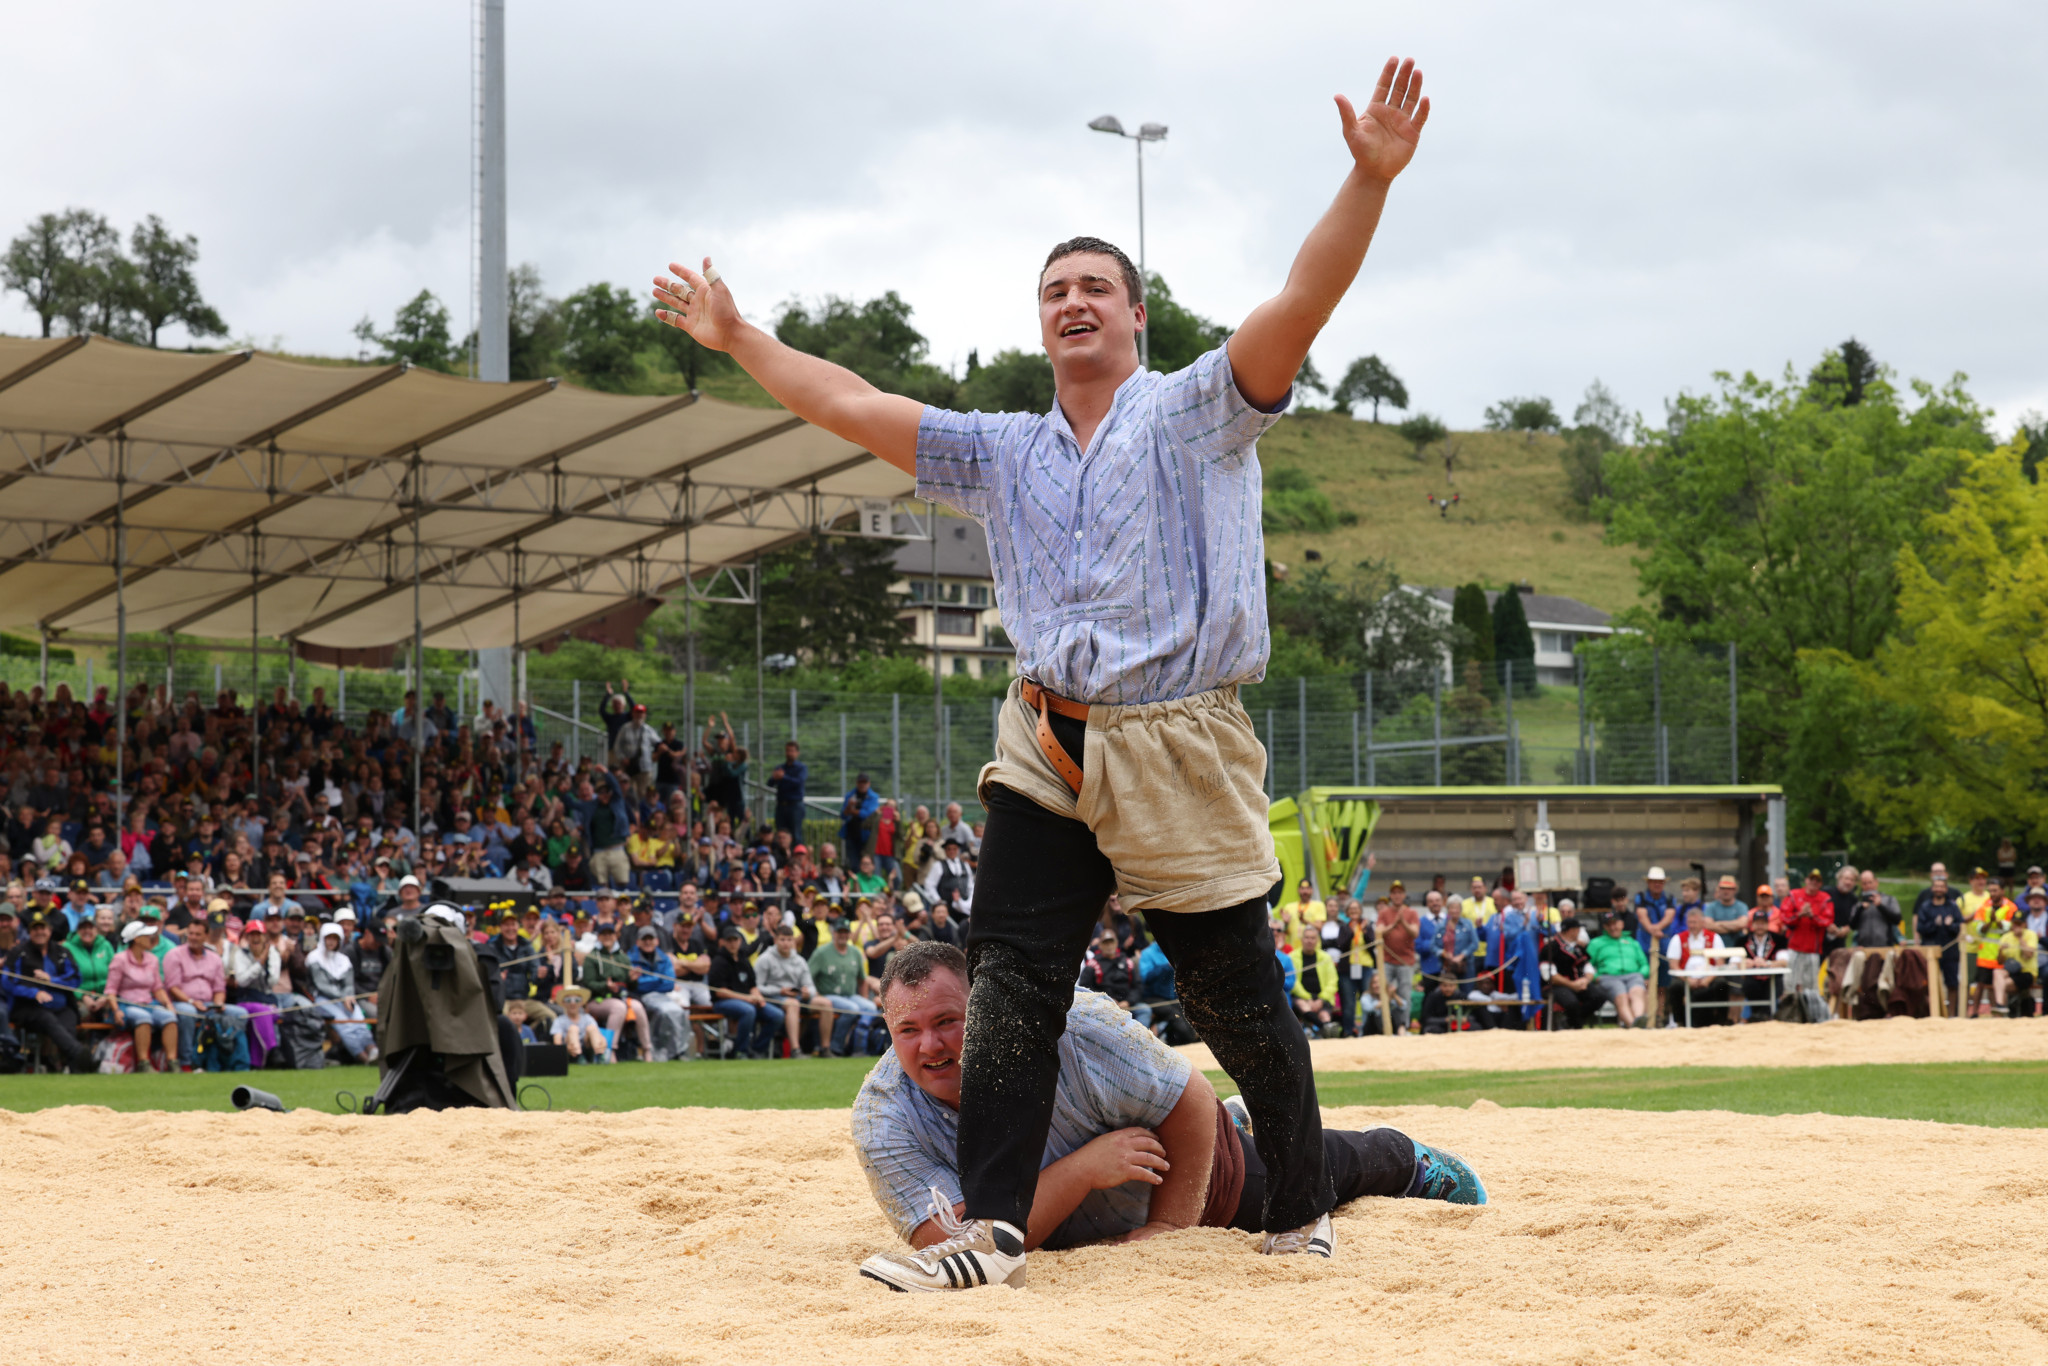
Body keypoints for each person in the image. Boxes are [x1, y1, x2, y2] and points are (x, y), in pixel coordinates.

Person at [658, 57, 1435, 1285]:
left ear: (1136, 317)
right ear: (1041, 324)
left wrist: (1366, 178)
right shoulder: (1001, 450)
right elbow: (851, 401)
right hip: (1047, 732)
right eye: (1054, 291)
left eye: (1095, 288)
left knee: (1231, 988)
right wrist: (738, 332)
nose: (1073, 303)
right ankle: (995, 1225)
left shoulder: (1196, 410)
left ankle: (1300, 1197)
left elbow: (1301, 300)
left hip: (1177, 734)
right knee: (1011, 972)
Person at [851, 942, 1483, 1291]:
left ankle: (1404, 1158)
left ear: (985, 1006)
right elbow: (950, 1245)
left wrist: (1172, 1229)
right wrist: (1082, 1170)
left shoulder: (1074, 1026)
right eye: (908, 1029)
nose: (929, 1046)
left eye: (947, 1022)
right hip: (1096, 1208)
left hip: (1189, 1176)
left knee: (1313, 1172)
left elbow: (1190, 1097)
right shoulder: (883, 1118)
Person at [5, 912, 93, 1071]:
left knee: (69, 1021)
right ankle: (80, 1054)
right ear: (30, 932)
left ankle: (76, 1070)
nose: (39, 932)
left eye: (43, 928)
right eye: (35, 929)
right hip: (28, 1007)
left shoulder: (61, 952)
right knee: (47, 1019)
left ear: (50, 930)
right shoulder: (19, 952)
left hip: (61, 1005)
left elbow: (75, 978)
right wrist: (34, 993)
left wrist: (51, 980)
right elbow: (8, 982)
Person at [164, 913, 251, 1070]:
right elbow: (173, 987)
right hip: (182, 1003)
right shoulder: (174, 955)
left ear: (206, 936)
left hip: (209, 1004)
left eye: (198, 934)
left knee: (239, 1013)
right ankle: (187, 1063)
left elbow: (219, 988)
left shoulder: (214, 958)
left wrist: (218, 1003)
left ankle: (238, 1064)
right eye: (190, 933)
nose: (193, 937)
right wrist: (191, 1001)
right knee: (188, 1012)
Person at [107, 920, 178, 1071]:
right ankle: (143, 1062)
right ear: (137, 939)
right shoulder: (120, 959)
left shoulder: (152, 959)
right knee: (143, 1018)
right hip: (127, 1004)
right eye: (146, 935)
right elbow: (111, 990)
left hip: (149, 1003)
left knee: (169, 1018)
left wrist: (168, 1004)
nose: (151, 938)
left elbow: (157, 988)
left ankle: (172, 1062)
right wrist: (116, 1010)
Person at [580, 920, 654, 1060]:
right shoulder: (592, 957)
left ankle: (647, 1049)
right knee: (618, 1008)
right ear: (599, 937)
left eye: (610, 934)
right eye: (604, 934)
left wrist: (632, 979)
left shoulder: (622, 957)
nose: (607, 937)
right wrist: (605, 986)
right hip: (598, 999)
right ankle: (609, 1050)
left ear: (615, 936)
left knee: (638, 1007)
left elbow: (631, 986)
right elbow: (588, 983)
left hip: (621, 996)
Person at [707, 922, 783, 1059]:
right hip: (722, 1003)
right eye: (729, 940)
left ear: (740, 941)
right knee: (748, 1011)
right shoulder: (718, 961)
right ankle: (740, 1051)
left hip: (748, 1001)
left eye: (735, 940)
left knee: (777, 1015)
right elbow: (720, 992)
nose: (732, 944)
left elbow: (752, 985)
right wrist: (747, 998)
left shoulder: (743, 959)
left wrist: (758, 997)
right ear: (723, 942)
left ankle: (757, 1049)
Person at [810, 918, 881, 1055]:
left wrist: (864, 997)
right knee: (852, 1009)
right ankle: (836, 1047)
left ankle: (858, 1046)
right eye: (840, 932)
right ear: (834, 933)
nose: (843, 935)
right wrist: (816, 993)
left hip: (850, 995)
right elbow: (808, 974)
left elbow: (862, 979)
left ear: (849, 934)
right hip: (828, 994)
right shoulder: (822, 952)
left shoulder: (855, 952)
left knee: (870, 1007)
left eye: (846, 932)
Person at [305, 923, 374, 1064]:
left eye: (334, 938)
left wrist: (348, 997)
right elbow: (321, 985)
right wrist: (343, 997)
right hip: (322, 999)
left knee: (358, 1019)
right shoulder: (314, 958)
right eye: (328, 938)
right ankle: (362, 1057)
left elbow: (348, 983)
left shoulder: (343, 960)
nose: (331, 941)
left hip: (344, 999)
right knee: (344, 1023)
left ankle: (373, 1050)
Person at [757, 923, 826, 1057]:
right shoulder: (765, 959)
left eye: (789, 940)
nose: (786, 943)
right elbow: (757, 987)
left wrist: (808, 992)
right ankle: (795, 1050)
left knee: (826, 1003)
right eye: (782, 940)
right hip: (773, 998)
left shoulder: (799, 960)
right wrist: (780, 990)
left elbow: (811, 986)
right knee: (793, 1004)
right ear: (775, 940)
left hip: (797, 996)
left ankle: (826, 1049)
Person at [629, 925, 689, 1062]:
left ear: (657, 941)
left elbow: (669, 983)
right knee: (664, 1012)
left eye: (651, 939)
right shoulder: (631, 958)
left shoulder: (664, 958)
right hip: (642, 997)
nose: (648, 942)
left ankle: (679, 1050)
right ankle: (659, 1049)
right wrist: (659, 979)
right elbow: (638, 985)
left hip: (663, 995)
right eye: (644, 939)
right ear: (638, 942)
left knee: (680, 1012)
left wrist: (651, 980)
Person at [1665, 907, 1733, 1027]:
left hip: (1710, 976)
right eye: (1690, 922)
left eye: (1695, 922)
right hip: (1686, 977)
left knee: (1722, 985)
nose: (1692, 926)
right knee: (1675, 987)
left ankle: (1721, 1021)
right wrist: (1687, 979)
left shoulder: (1714, 938)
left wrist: (1708, 979)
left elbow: (1720, 964)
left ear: (1702, 923)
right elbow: (1673, 965)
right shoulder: (1678, 939)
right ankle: (1680, 1021)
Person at [1076, 928, 1152, 1030]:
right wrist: (1107, 1001)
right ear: (1100, 945)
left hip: (1127, 1005)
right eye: (1106, 943)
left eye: (1111, 942)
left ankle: (1140, 1041)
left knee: (1145, 1010)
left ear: (1116, 943)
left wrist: (1128, 1002)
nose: (1109, 946)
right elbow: (1086, 989)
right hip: (1103, 1008)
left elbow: (1137, 986)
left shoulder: (1127, 962)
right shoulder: (1092, 964)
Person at [1778, 868, 1836, 998]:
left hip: (1813, 949)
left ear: (1820, 884)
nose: (1813, 882)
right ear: (1806, 880)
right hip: (1794, 947)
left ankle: (1811, 1015)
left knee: (1811, 987)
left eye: (1817, 880)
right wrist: (1799, 915)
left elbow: (1827, 920)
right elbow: (1784, 916)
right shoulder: (1794, 895)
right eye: (1811, 879)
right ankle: (1790, 1013)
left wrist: (1812, 916)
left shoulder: (1825, 899)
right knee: (1790, 984)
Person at [1587, 910, 1650, 1028]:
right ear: (1604, 927)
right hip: (1609, 977)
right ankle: (1634, 1027)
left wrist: (1642, 974)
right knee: (1622, 996)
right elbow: (1586, 965)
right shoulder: (1596, 943)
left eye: (1615, 923)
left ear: (1621, 924)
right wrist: (1595, 977)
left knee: (1637, 992)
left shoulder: (1632, 942)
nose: (1612, 927)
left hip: (1633, 975)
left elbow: (1644, 963)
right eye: (1608, 924)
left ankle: (1637, 1020)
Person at [1916, 869, 1963, 1009]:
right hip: (1930, 951)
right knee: (1930, 983)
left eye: (1941, 887)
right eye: (1936, 886)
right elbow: (1920, 928)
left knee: (1952, 983)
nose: (1939, 889)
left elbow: (1959, 927)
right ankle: (1933, 1011)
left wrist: (1950, 925)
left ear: (1946, 889)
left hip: (1950, 951)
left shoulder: (1953, 907)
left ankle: (1952, 1013)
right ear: (1932, 888)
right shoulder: (1925, 907)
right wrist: (1933, 925)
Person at [1540, 910, 1596, 1029]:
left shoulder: (1578, 948)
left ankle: (1571, 1022)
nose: (1579, 932)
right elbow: (1549, 975)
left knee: (1598, 996)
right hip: (1557, 985)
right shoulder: (1551, 948)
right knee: (1572, 1003)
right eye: (1577, 929)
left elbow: (1588, 966)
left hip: (1579, 982)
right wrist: (1572, 985)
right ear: (1571, 931)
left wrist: (1585, 981)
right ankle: (1576, 1027)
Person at [1374, 889, 1418, 1035]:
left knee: (1404, 995)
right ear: (1390, 896)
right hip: (1386, 960)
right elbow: (1379, 932)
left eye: (1400, 893)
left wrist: (1402, 921)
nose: (1397, 895)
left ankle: (1402, 1027)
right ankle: (1384, 1026)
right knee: (1383, 993)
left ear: (1404, 895)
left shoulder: (1412, 913)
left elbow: (1414, 933)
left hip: (1405, 961)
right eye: (1394, 893)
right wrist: (1394, 924)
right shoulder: (1384, 913)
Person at [1999, 894, 2041, 1018]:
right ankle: (2003, 1008)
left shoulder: (2030, 935)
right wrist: (2001, 950)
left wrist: (2020, 938)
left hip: (2027, 973)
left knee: (2004, 983)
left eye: (2020, 924)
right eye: (2015, 924)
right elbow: (2000, 961)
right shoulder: (2006, 937)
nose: (2017, 927)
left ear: (2025, 924)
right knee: (1999, 976)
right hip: (2011, 972)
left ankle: (2003, 1007)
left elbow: (2028, 955)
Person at [551, 988, 612, 1063]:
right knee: (573, 1029)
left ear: (581, 1002)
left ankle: (600, 1055)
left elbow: (599, 1035)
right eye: (568, 1000)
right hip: (570, 1052)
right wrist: (567, 1048)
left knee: (592, 1028)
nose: (573, 1003)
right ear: (563, 1003)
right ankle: (578, 1056)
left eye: (576, 1000)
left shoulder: (587, 1018)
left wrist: (603, 1044)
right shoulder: (559, 1020)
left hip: (588, 1049)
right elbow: (557, 1042)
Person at [769, 742, 808, 838]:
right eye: (787, 750)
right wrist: (774, 777)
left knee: (795, 834)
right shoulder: (780, 768)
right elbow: (769, 784)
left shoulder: (801, 768)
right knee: (781, 834)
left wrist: (784, 777)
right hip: (781, 806)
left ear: (797, 753)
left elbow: (799, 782)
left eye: (792, 751)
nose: (789, 753)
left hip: (795, 806)